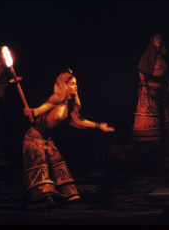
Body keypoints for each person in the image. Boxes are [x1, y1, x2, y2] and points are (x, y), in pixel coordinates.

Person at [21, 70, 114, 210]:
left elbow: (78, 120)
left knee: (57, 165)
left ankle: (62, 196)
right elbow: (41, 109)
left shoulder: (68, 104)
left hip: (47, 139)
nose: (75, 87)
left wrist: (98, 125)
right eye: (72, 84)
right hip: (34, 137)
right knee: (40, 169)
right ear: (64, 86)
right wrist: (32, 111)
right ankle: (45, 199)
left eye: (76, 84)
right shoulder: (55, 99)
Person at [132, 33, 169, 141]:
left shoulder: (161, 56)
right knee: (150, 111)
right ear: (152, 40)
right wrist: (144, 85)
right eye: (156, 38)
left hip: (162, 85)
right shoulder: (147, 55)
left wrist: (168, 82)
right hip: (150, 85)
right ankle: (148, 138)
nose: (159, 40)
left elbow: (163, 71)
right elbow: (141, 70)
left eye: (160, 38)